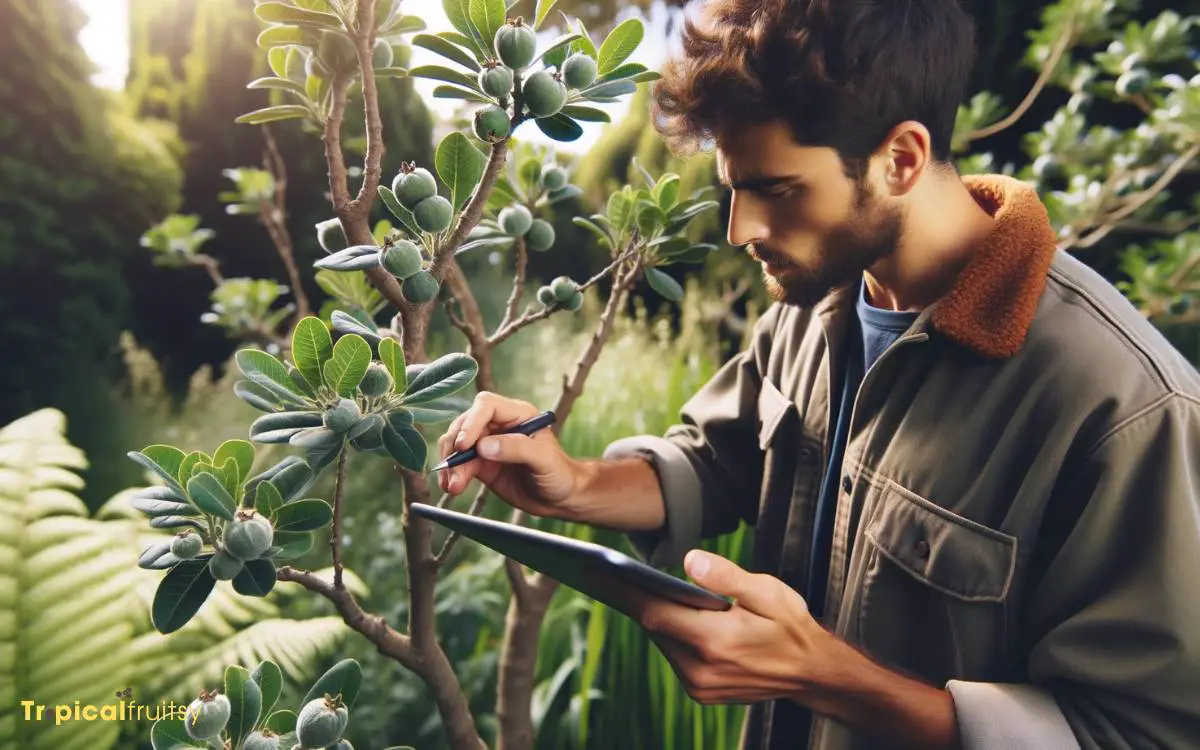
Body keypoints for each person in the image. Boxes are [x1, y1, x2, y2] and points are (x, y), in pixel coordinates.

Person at [435, 0, 1200, 747]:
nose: (741, 230)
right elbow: (716, 462)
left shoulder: (1123, 406)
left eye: (776, 190)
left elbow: (1137, 730)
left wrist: (823, 676)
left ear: (901, 158)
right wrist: (572, 482)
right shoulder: (815, 301)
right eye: (732, 188)